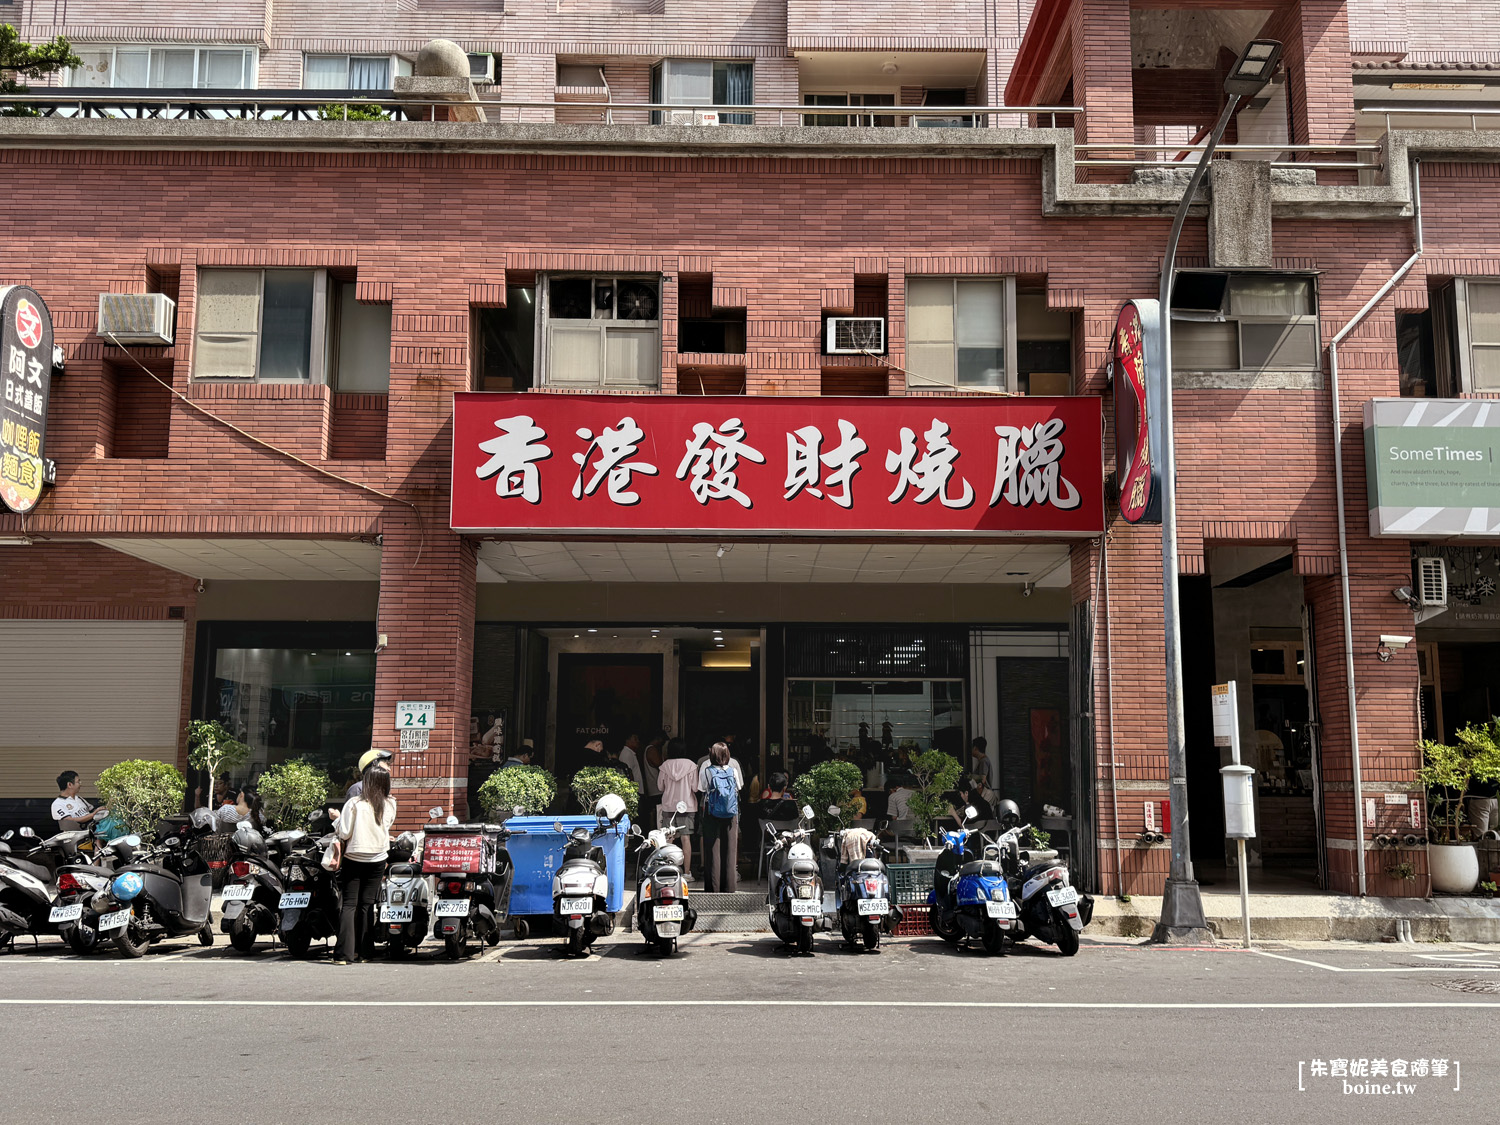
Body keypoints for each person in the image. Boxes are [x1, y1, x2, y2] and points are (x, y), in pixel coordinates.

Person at [334, 752, 396, 965]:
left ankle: (344, 954)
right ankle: (365, 952)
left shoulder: (355, 803)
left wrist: (336, 821)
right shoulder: (390, 804)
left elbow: (343, 832)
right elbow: (386, 827)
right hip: (378, 857)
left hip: (354, 856)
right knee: (367, 904)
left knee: (349, 905)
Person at [699, 742, 741, 893]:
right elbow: (739, 787)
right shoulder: (733, 770)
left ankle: (713, 887)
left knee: (712, 849)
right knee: (730, 849)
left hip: (712, 812)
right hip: (731, 813)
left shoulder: (707, 770)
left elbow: (702, 788)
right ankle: (729, 886)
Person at [656, 739, 699, 878]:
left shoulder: (664, 766)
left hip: (669, 805)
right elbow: (695, 788)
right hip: (687, 806)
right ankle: (687, 872)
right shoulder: (691, 766)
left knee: (669, 838)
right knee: (686, 839)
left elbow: (660, 787)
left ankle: (668, 870)